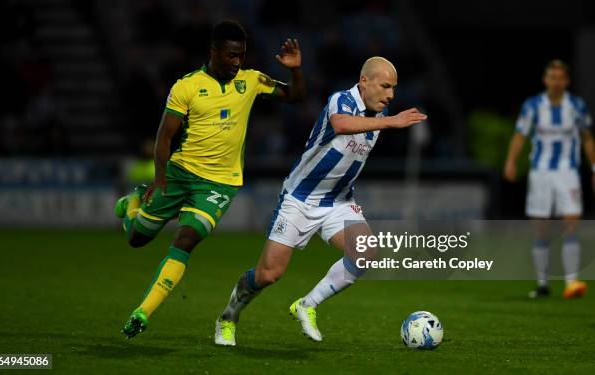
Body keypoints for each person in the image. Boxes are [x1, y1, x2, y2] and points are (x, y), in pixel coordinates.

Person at [214, 56, 427, 346]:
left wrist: (386, 121)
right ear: (364, 81)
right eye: (385, 86)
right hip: (299, 199)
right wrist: (392, 122)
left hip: (337, 202)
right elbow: (340, 125)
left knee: (364, 252)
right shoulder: (342, 100)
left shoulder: (379, 116)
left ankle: (307, 304)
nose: (391, 95)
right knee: (268, 274)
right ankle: (228, 317)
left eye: (394, 88)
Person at [114, 20, 305, 338]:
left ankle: (142, 312)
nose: (236, 62)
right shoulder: (187, 86)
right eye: (230, 55)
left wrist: (295, 70)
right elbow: (164, 136)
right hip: (179, 174)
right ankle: (133, 202)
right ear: (214, 52)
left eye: (241, 56)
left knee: (185, 239)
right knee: (137, 238)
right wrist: (160, 179)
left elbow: (295, 96)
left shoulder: (252, 80)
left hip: (218, 184)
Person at [504, 59, 595, 299]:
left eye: (560, 78)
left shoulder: (576, 105)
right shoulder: (534, 105)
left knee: (571, 224)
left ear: (566, 81)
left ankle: (571, 282)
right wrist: (511, 161)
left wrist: (594, 167)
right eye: (552, 77)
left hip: (568, 172)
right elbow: (520, 135)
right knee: (540, 230)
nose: (556, 82)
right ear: (546, 80)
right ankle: (543, 284)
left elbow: (587, 137)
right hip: (540, 172)